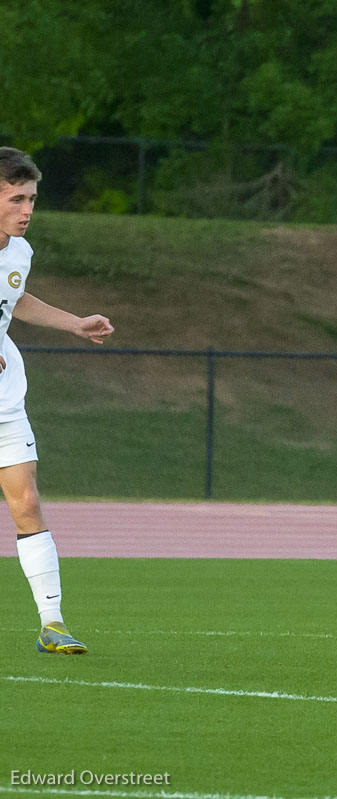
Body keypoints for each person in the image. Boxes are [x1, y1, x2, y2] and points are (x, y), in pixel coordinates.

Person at [0, 146, 114, 654]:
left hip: (4, 399)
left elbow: (15, 298)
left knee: (26, 502)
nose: (27, 210)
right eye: (17, 199)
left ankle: (52, 623)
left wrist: (75, 322)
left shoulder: (19, 252)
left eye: (32, 200)